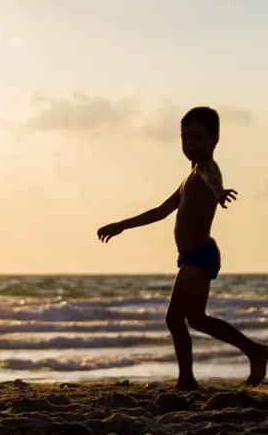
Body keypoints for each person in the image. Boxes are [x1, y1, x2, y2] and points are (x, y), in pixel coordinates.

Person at [97, 106, 267, 390]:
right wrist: (122, 225)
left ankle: (187, 379)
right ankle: (255, 351)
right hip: (192, 255)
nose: (190, 144)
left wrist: (218, 192)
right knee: (196, 319)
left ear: (215, 139)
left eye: (198, 137)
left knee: (174, 318)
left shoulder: (205, 169)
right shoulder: (186, 179)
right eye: (185, 138)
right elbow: (161, 211)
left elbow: (212, 181)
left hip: (198, 255)